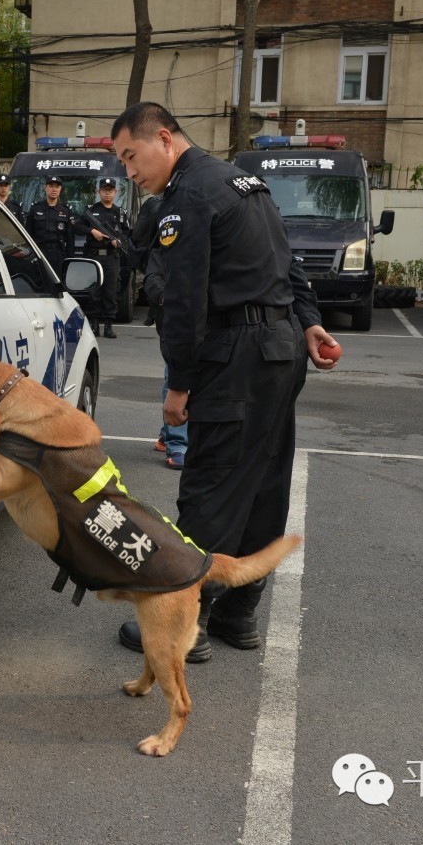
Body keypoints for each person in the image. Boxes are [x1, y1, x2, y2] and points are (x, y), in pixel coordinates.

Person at [110, 101, 338, 663]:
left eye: (131, 156)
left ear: (165, 138)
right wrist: (308, 321)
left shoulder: (187, 197)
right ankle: (240, 615)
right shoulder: (245, 180)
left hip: (235, 355)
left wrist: (179, 385)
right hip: (281, 351)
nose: (129, 173)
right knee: (263, 481)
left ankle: (190, 622)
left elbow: (185, 302)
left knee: (211, 486)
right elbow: (290, 265)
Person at [131, 194, 188, 470]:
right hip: (173, 320)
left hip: (199, 320)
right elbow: (153, 277)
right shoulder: (165, 243)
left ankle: (167, 435)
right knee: (175, 375)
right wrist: (168, 299)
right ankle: (178, 443)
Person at [76, 176, 130, 338]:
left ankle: (108, 325)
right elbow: (78, 225)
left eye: (111, 190)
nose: (107, 193)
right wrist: (92, 231)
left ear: (116, 192)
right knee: (94, 291)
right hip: (94, 257)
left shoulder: (120, 213)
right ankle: (93, 324)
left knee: (110, 291)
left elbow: (127, 233)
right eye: (104, 190)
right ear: (99, 192)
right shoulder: (91, 211)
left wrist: (118, 241)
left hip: (112, 258)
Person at [25, 175, 75, 279]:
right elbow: (28, 234)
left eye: (57, 187)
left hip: (59, 254)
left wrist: (70, 258)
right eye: (51, 186)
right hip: (40, 253)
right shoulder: (35, 209)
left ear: (60, 189)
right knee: (40, 282)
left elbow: (70, 238)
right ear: (45, 187)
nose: (54, 189)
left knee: (58, 284)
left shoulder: (66, 211)